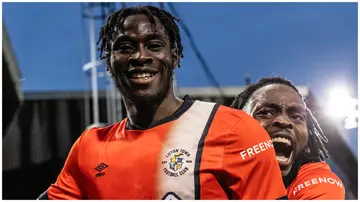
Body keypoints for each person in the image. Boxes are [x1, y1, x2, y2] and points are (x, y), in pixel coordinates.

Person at [38, 5, 287, 200]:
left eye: (154, 45)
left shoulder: (234, 129)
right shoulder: (89, 147)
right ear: (110, 61)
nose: (140, 56)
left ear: (175, 56)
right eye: (125, 47)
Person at [230, 76, 345, 199]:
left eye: (296, 117)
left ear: (306, 144)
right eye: (266, 112)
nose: (284, 121)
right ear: (234, 126)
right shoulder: (212, 164)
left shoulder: (318, 183)